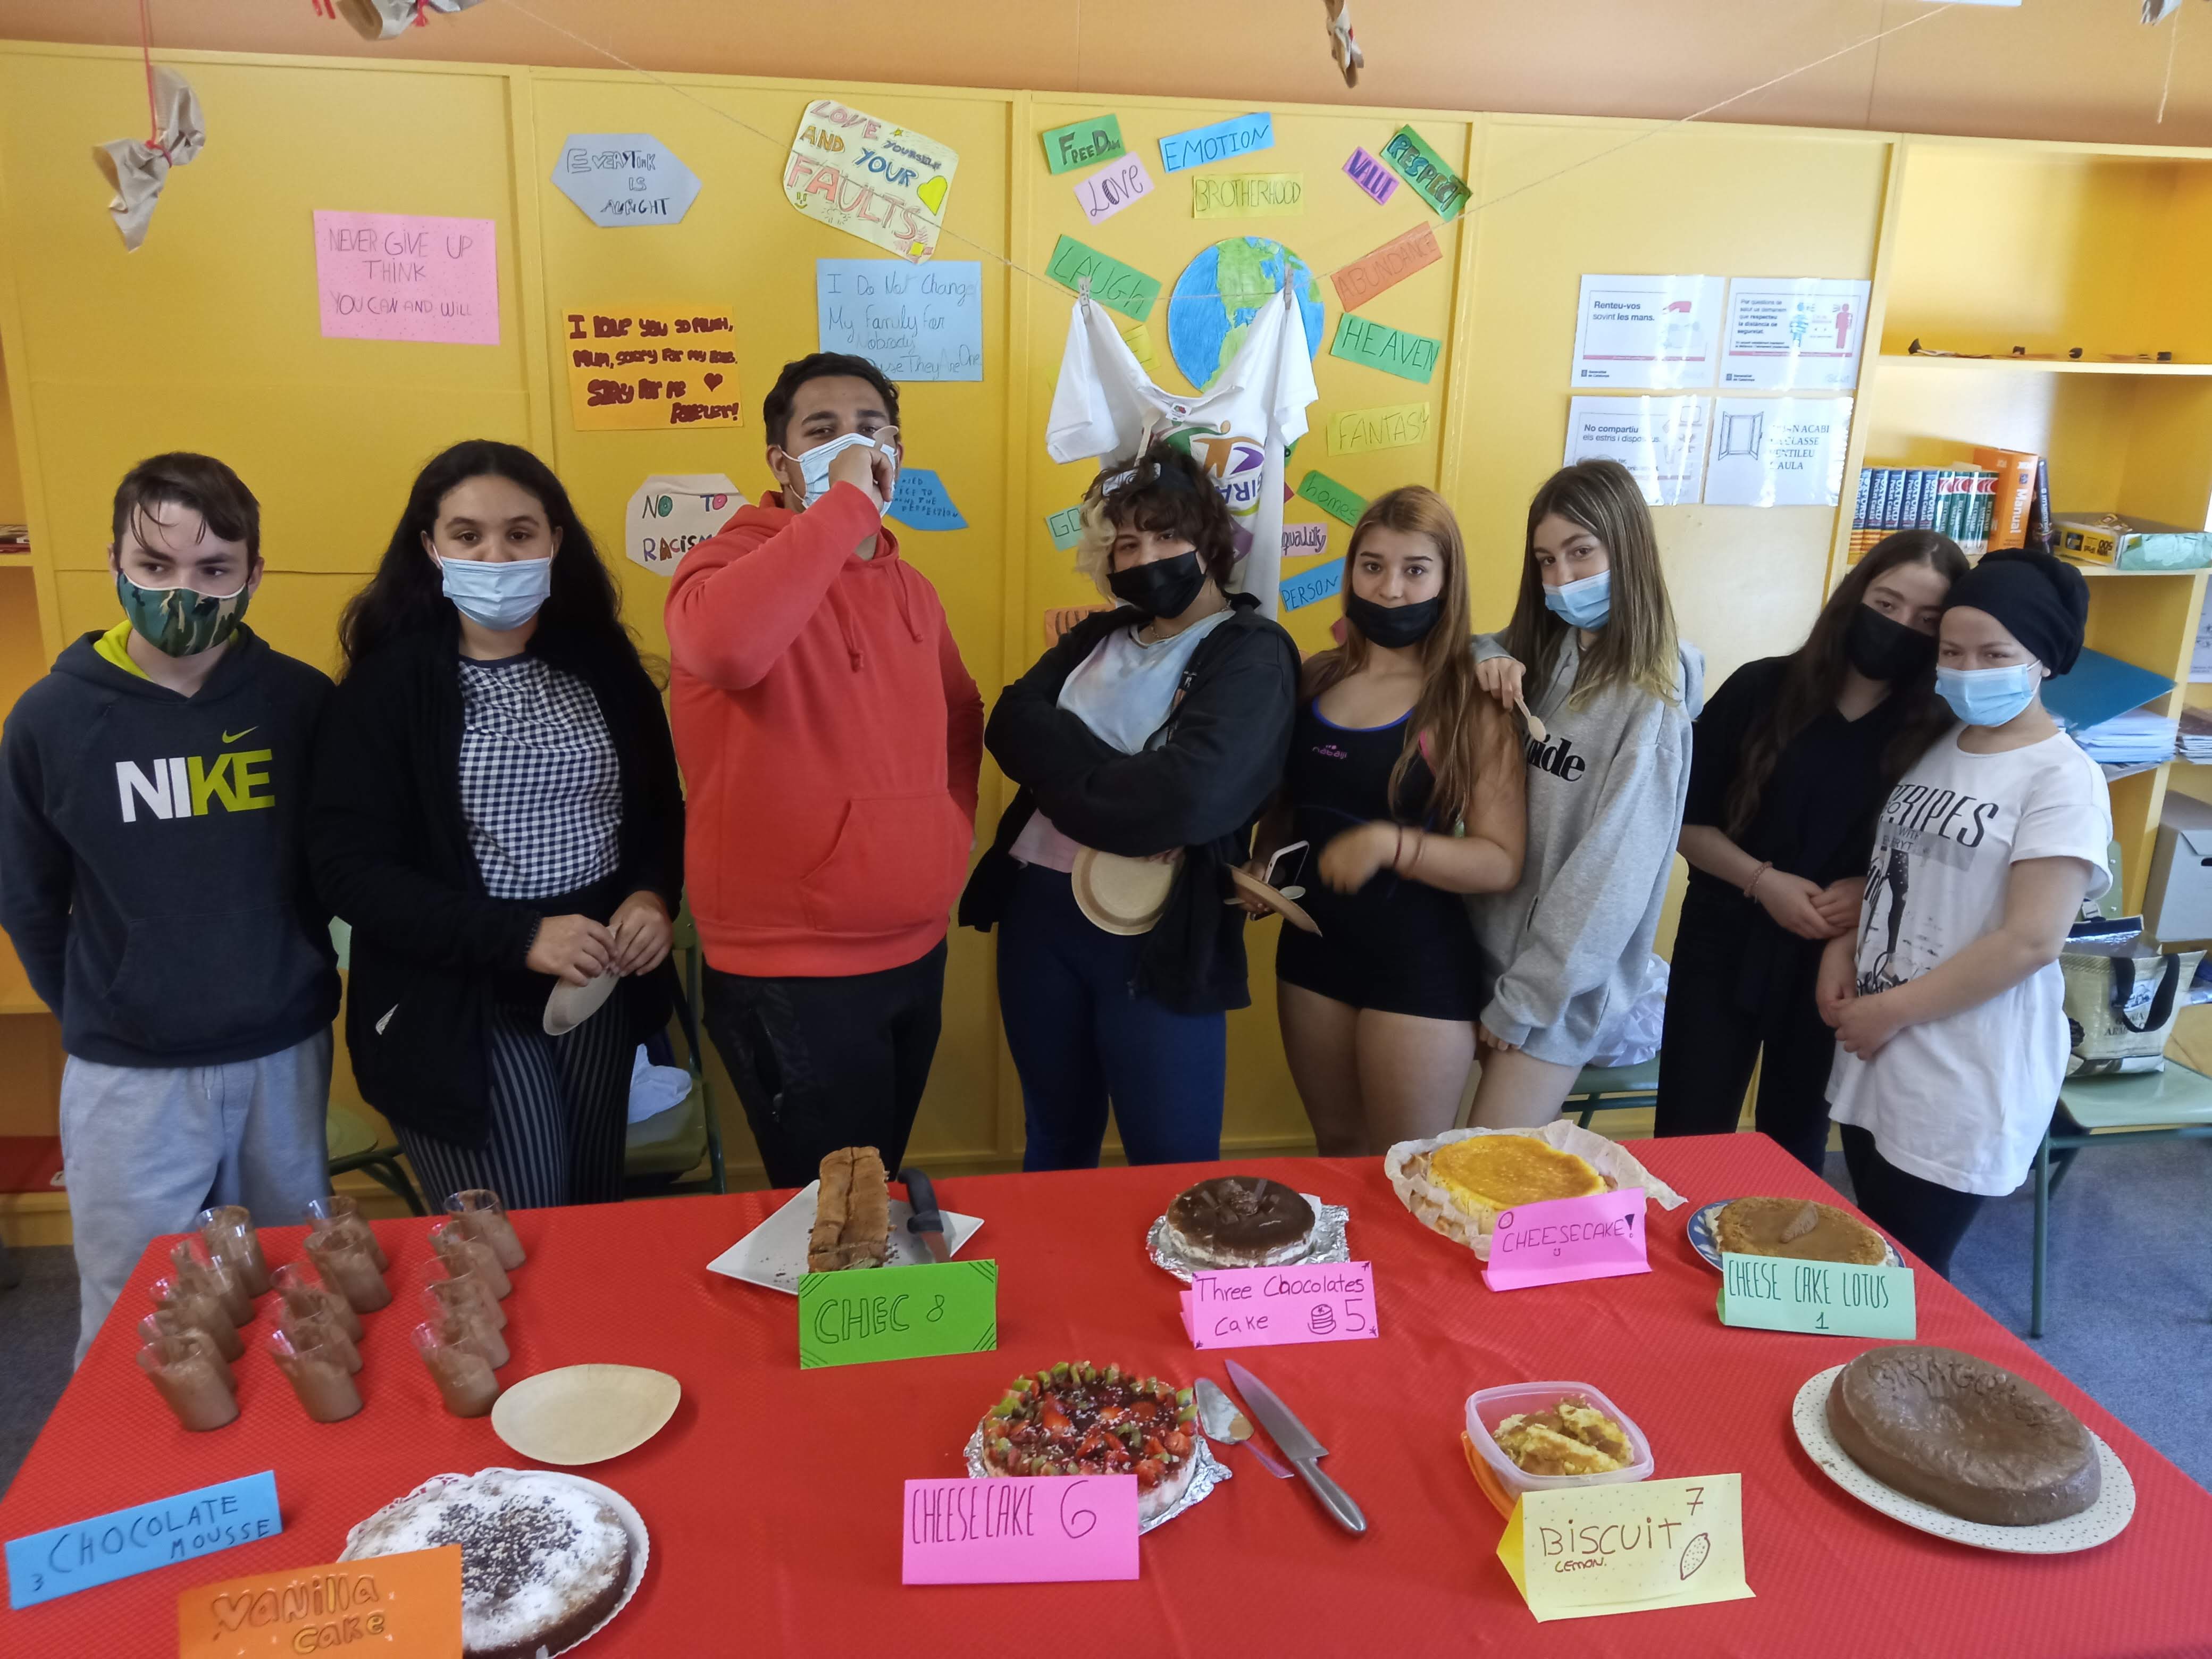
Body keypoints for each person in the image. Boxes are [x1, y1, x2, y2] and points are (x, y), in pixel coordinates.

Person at [0, 454, 339, 1363]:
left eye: (213, 569)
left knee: (297, 1296)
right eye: (155, 565)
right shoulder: (49, 719)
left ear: (253, 575)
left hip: (281, 1052)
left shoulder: (300, 703)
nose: (182, 591)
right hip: (129, 1073)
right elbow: (28, 896)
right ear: (114, 563)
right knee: (140, 1317)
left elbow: (332, 872)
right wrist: (105, 1007)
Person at [311, 441, 683, 1208]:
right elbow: (348, 870)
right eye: (468, 535)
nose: (496, 555)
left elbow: (658, 813)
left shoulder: (607, 668)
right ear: (431, 548)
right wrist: (520, 936)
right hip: (454, 1005)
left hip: (596, 989)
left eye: (519, 533)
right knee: (521, 1231)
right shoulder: (388, 688)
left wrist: (651, 896)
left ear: (554, 540)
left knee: (592, 1213)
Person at [666, 354, 982, 1188]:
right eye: (824, 431)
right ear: (782, 464)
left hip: (913, 945)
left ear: (898, 450)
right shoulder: (721, 567)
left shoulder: (913, 587)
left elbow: (960, 712)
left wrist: (949, 830)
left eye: (871, 430)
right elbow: (726, 650)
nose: (854, 446)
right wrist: (845, 503)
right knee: (827, 1214)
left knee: (874, 1194)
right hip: (790, 969)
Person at [959, 445, 1298, 1169]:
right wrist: (1127, 791)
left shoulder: (1253, 651)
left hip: (1157, 930)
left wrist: (1061, 779)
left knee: (1172, 1160)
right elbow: (1010, 724)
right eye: (1126, 544)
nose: (1146, 557)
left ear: (1209, 540)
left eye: (1166, 536)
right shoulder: (1099, 634)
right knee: (1054, 1142)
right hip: (1036, 917)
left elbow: (1192, 795)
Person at [1819, 550, 2109, 1276]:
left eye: (1994, 654)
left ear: (2043, 660)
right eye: (1952, 652)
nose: (1969, 670)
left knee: (1912, 1278)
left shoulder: (2063, 778)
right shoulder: (1940, 742)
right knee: (1871, 1256)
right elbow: (1899, 872)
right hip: (1882, 1054)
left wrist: (1888, 1012)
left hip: (1964, 1073)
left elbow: (2030, 941)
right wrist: (1843, 948)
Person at [1654, 530, 1967, 1171]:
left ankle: (1780, 1240)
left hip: (1838, 960)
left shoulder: (1939, 731)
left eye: (1925, 619)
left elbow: (1939, 861)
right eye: (1886, 604)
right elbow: (1680, 822)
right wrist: (1761, 881)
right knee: (1688, 1132)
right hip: (1722, 940)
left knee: (1795, 1144)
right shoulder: (1759, 688)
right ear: (1854, 595)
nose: (1900, 627)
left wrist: (1867, 893)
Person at [1247, 487, 1525, 1155]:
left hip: (1417, 965)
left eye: (1414, 569)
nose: (1390, 588)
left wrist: (1388, 844)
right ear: (1350, 573)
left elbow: (1499, 861)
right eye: (1371, 566)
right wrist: (1262, 864)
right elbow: (1287, 805)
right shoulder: (1314, 677)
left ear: (1446, 580)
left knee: (1406, 1168)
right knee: (1337, 1150)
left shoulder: (1468, 700)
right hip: (1311, 955)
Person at [1467, 459, 1704, 1128]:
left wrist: (1527, 998)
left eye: (1580, 553)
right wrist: (1485, 655)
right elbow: (1472, 644)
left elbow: (1610, 879)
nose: (1561, 579)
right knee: (1447, 1155)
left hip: (1552, 991)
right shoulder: (1549, 651)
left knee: (1485, 1167)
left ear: (1626, 549)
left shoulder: (1651, 701)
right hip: (1485, 952)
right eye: (1545, 560)